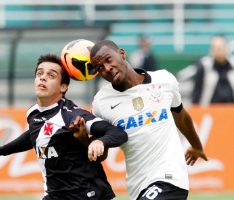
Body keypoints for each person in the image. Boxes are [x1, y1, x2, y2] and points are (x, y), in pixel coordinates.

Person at [0, 54, 128, 200]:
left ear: (63, 87)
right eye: (40, 74)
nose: (43, 78)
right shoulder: (33, 113)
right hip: (54, 195)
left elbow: (118, 133)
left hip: (88, 195)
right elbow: (34, 135)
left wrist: (100, 142)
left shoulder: (72, 116)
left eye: (51, 75)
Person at [89, 40, 208, 200]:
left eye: (108, 60)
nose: (107, 69)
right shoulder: (101, 103)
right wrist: (90, 142)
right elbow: (103, 154)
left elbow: (181, 115)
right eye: (100, 68)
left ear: (122, 54)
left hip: (171, 179)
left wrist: (197, 146)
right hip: (138, 187)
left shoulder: (164, 80)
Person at [192, 35, 234, 106]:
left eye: (221, 47)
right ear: (212, 49)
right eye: (216, 47)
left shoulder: (232, 65)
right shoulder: (204, 66)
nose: (219, 49)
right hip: (210, 111)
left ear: (226, 48)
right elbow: (197, 90)